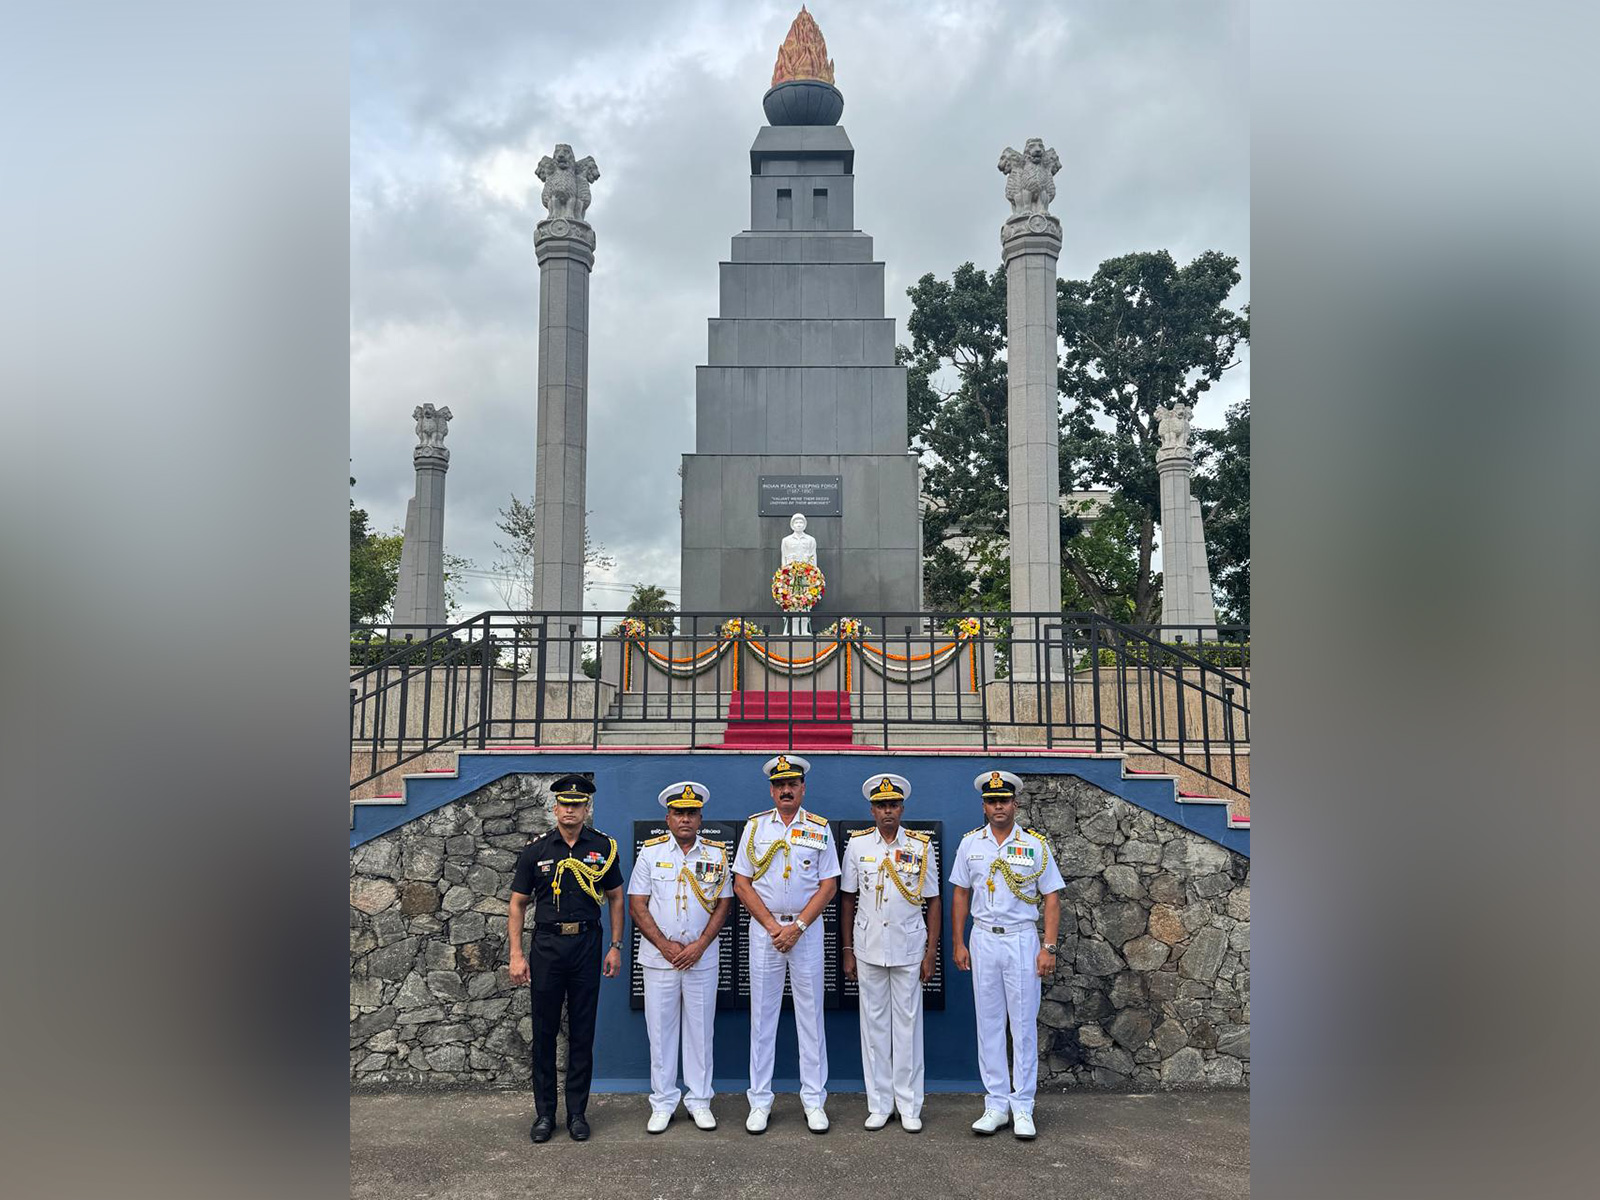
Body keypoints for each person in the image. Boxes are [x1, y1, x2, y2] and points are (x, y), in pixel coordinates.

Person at [508, 773, 625, 1144]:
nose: (570, 810)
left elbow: (617, 897)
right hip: (547, 947)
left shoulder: (603, 848)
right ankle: (545, 1114)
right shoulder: (537, 850)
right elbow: (518, 903)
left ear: (586, 808)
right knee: (543, 1033)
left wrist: (616, 946)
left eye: (577, 804)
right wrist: (515, 954)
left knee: (582, 1032)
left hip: (587, 944)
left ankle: (577, 1113)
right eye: (564, 803)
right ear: (554, 807)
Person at [948, 769, 1064, 1140]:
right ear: (983, 806)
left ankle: (1024, 1105)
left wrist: (1049, 946)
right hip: (983, 939)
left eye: (1004, 800)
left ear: (1015, 803)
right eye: (991, 801)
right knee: (990, 1023)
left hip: (1020, 940)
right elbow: (961, 894)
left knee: (1024, 1023)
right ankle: (996, 1103)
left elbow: (1051, 898)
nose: (998, 806)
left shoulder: (1034, 845)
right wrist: (958, 942)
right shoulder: (971, 845)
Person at [731, 754, 839, 1134]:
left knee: (811, 1018)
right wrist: (772, 926)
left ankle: (814, 1101)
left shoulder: (819, 828)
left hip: (806, 931)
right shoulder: (755, 828)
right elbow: (741, 883)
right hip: (766, 932)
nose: (786, 790)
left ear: (803, 788)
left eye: (792, 784)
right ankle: (759, 1101)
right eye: (780, 785)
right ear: (772, 790)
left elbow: (829, 884)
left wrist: (799, 926)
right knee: (762, 1018)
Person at [627, 781, 735, 1134]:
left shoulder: (716, 854)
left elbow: (724, 903)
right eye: (678, 813)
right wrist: (664, 945)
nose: (685, 819)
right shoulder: (650, 853)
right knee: (660, 1032)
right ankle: (663, 1102)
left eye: (691, 813)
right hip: (660, 960)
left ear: (700, 818)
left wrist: (701, 944)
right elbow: (637, 904)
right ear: (668, 818)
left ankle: (700, 1101)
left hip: (701, 958)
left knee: (701, 1032)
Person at [839, 773, 940, 1133]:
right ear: (872, 809)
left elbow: (933, 900)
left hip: (910, 946)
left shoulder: (920, 847)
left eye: (893, 805)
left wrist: (931, 952)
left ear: (902, 808)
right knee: (874, 1026)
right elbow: (848, 899)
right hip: (868, 947)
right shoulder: (858, 846)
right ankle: (880, 1103)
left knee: (909, 1026)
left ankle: (909, 1104)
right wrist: (848, 949)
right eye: (881, 805)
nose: (887, 811)